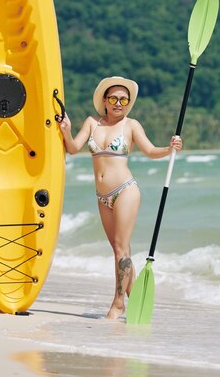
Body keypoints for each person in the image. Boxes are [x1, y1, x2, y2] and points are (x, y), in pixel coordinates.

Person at [59, 76, 182, 319]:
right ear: (104, 101)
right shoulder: (92, 123)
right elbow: (72, 149)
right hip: (102, 196)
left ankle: (117, 303)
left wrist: (170, 148)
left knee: (119, 249)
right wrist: (66, 131)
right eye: (113, 98)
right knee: (119, 249)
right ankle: (135, 297)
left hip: (125, 190)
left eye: (124, 100)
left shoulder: (131, 125)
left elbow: (150, 151)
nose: (118, 103)